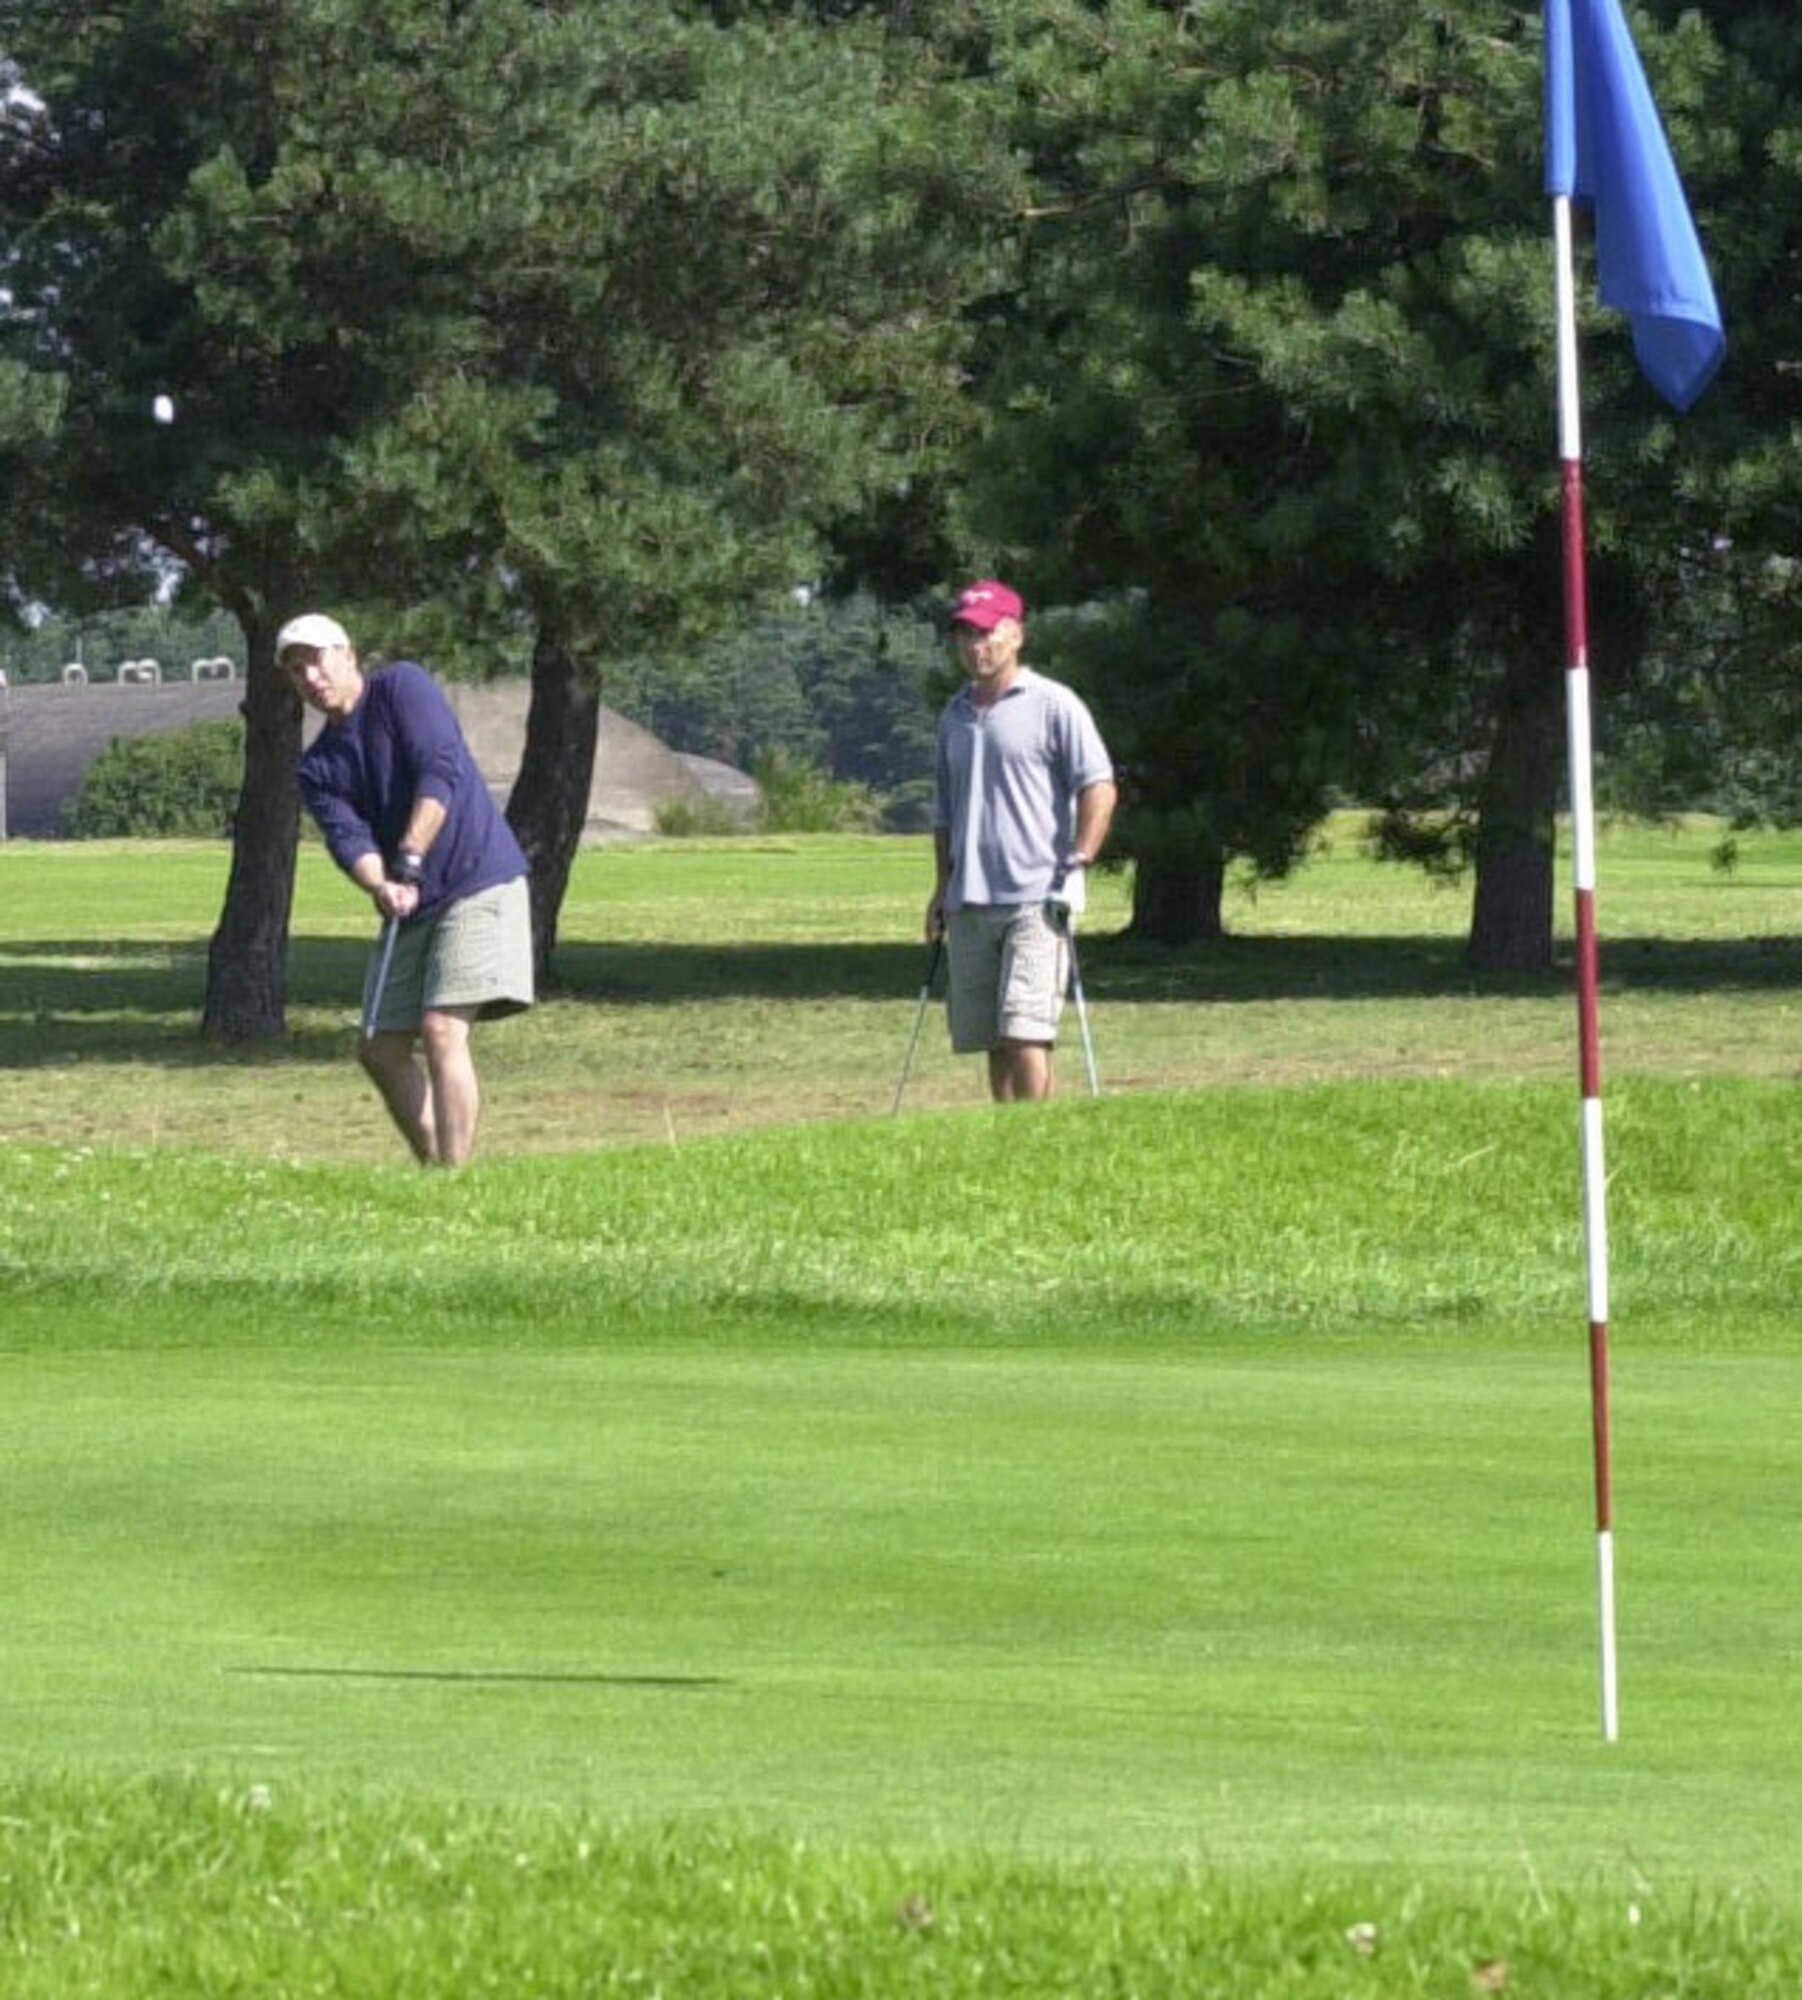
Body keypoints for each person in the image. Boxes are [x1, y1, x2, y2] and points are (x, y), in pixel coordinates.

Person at [280, 612, 534, 1167]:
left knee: (442, 1029)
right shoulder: (317, 767)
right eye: (297, 671)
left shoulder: (402, 688)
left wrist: (412, 854)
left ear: (347, 653)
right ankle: (436, 1166)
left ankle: (454, 1179)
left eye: (316, 660)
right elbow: (348, 838)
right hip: (411, 901)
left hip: (477, 879)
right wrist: (381, 884)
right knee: (379, 1047)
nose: (310, 677)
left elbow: (439, 771)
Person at [926, 580, 1117, 1103]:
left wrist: (1080, 859)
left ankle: (1037, 1138)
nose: (975, 647)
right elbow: (945, 811)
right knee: (990, 1035)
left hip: (1038, 893)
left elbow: (1097, 783)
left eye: (986, 634)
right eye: (965, 635)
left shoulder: (1054, 704)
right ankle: (1006, 1140)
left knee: (1026, 1030)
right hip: (970, 897)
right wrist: (941, 888)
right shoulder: (954, 716)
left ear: (1016, 635)